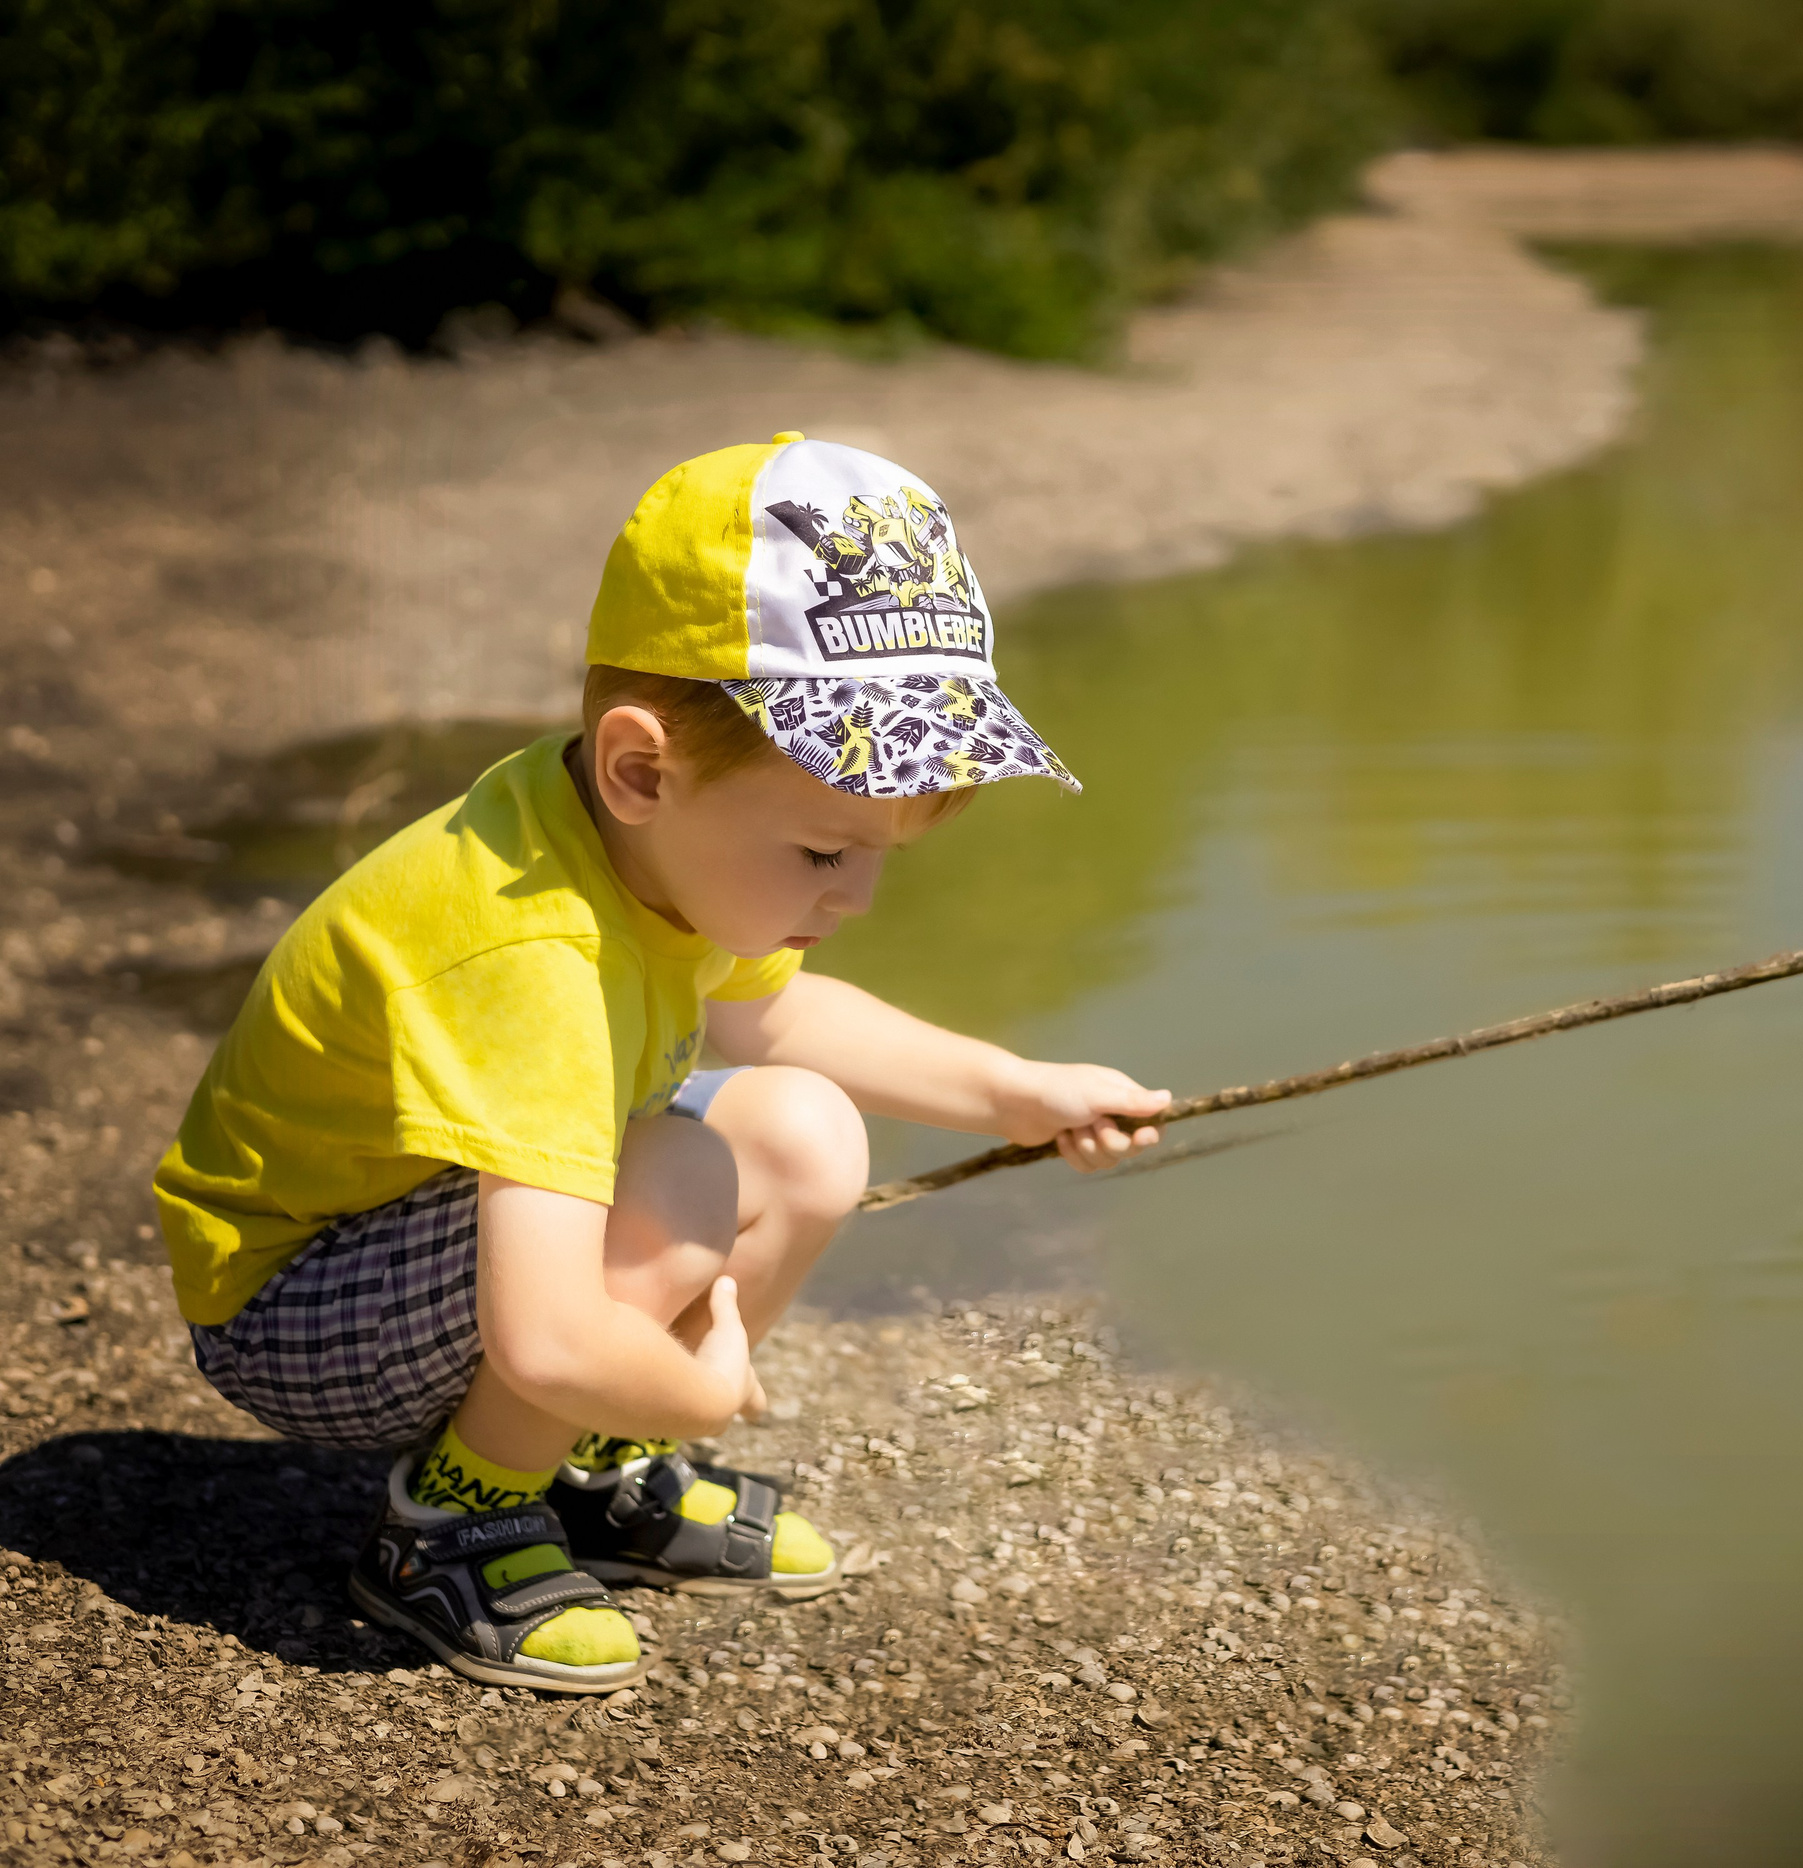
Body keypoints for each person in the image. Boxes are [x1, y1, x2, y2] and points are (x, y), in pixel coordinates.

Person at [153, 434, 1170, 1692]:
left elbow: (784, 1025)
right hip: (296, 1308)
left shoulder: (656, 848)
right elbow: (543, 1334)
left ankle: (579, 1469)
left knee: (806, 1130)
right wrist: (692, 1391)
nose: (856, 894)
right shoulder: (525, 941)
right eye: (821, 852)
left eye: (881, 853)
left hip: (424, 1230)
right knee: (686, 1167)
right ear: (643, 766)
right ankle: (454, 1519)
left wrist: (1014, 1086)